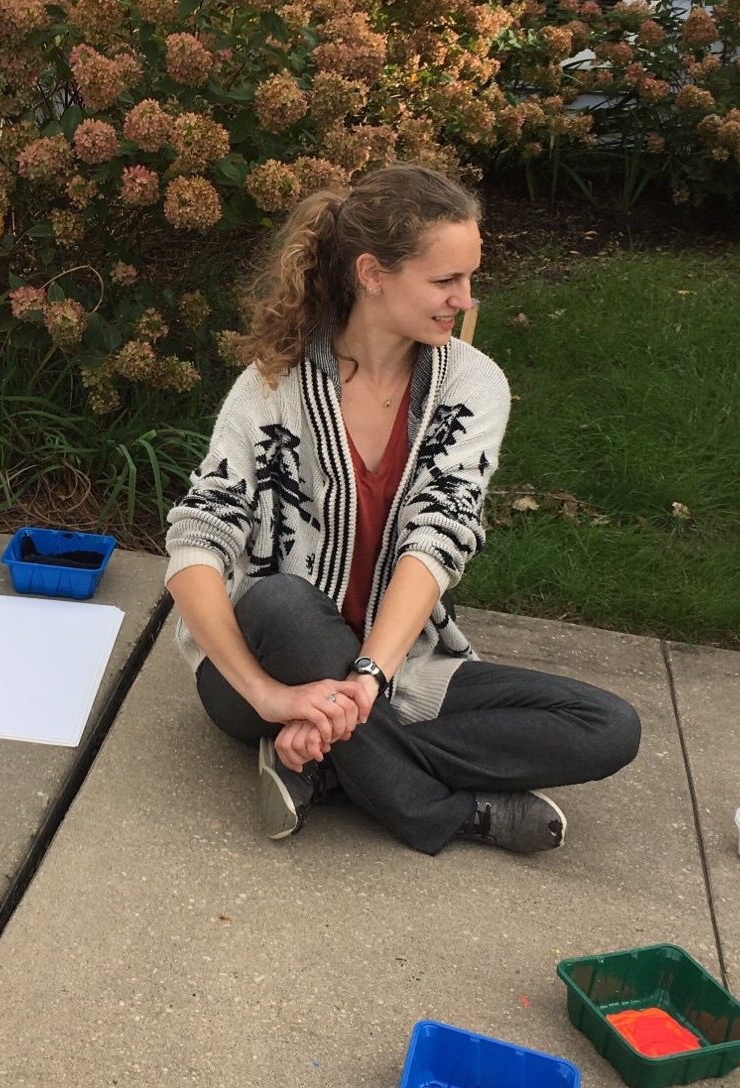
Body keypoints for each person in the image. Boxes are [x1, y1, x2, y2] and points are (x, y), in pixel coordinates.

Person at [164, 164, 639, 855]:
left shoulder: (471, 386)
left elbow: (438, 536)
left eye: (470, 278)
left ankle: (328, 771)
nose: (465, 300)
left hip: (392, 669)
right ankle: (444, 812)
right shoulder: (274, 385)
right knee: (281, 603)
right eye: (445, 281)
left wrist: (368, 677)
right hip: (260, 670)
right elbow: (195, 545)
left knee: (607, 725)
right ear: (372, 273)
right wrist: (269, 698)